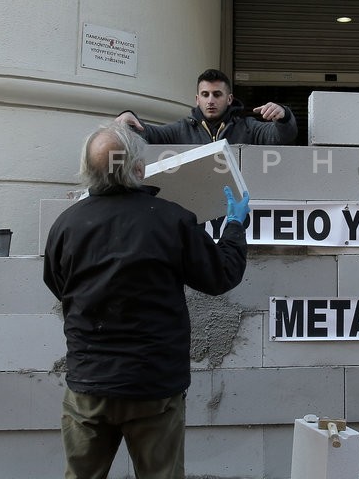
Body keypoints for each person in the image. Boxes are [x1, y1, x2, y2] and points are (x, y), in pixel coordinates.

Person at [43, 122, 250, 479]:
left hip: (89, 385)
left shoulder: (66, 225)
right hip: (154, 386)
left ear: (88, 172)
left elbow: (57, 285)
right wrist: (234, 226)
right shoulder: (172, 220)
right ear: (138, 169)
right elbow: (221, 276)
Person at [115, 68, 298, 145]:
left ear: (229, 99)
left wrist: (284, 116)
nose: (210, 100)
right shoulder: (181, 129)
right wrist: (129, 119)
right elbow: (149, 134)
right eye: (205, 95)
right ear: (197, 99)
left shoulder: (248, 127)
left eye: (217, 94)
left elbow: (283, 136)